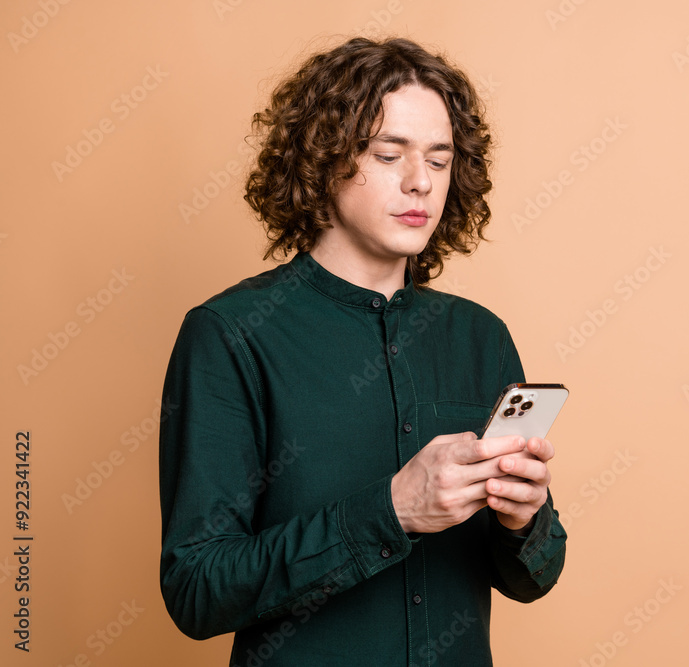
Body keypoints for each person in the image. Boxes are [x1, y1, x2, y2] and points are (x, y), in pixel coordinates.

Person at [158, 36, 567, 666]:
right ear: (322, 158)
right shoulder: (230, 334)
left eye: (439, 159)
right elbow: (197, 590)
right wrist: (392, 510)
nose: (419, 183)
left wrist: (525, 519)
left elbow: (533, 579)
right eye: (388, 153)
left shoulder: (480, 336)